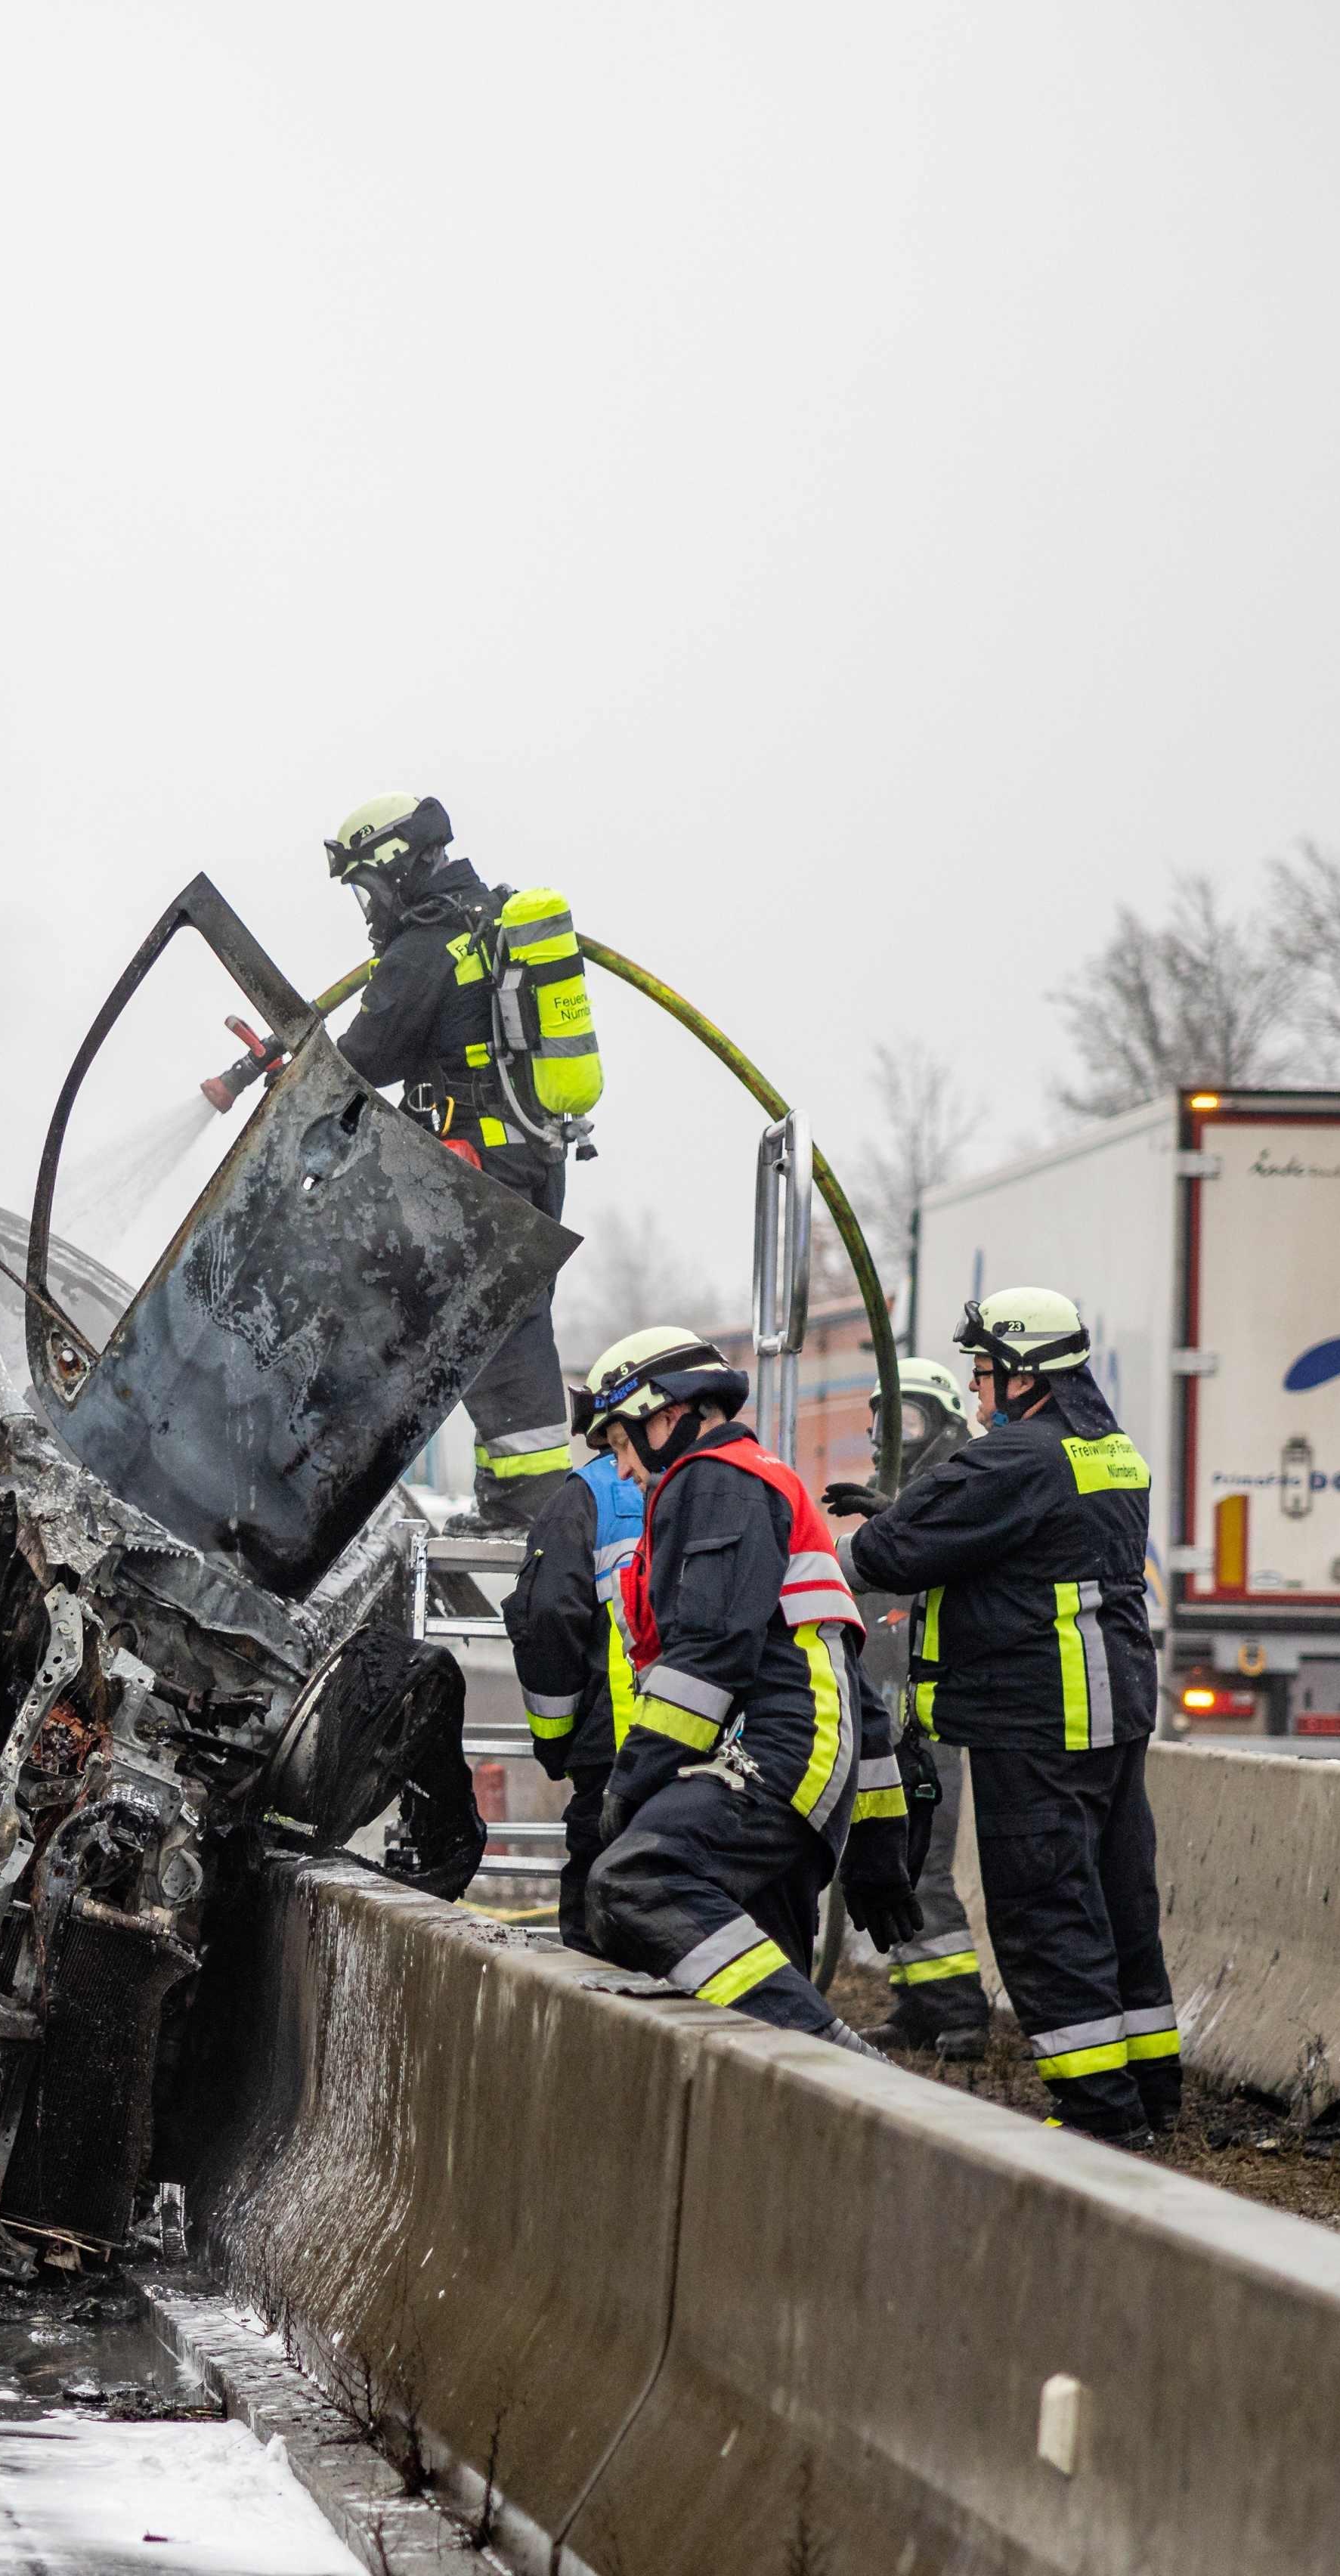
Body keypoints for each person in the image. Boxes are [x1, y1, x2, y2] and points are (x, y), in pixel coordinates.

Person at [834, 1289, 1174, 2146]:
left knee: (1046, 1911)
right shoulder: (1108, 1449)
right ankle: (1150, 2088)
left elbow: (891, 1556)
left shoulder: (1015, 1457)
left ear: (1024, 1373)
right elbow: (1019, 1540)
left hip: (1038, 1719)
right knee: (1117, 1902)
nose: (977, 1391)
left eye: (983, 1372)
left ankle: (1098, 2112)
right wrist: (905, 1510)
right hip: (1113, 1713)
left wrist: (853, 1539)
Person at [578, 1327, 874, 2041]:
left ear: (664, 1413)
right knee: (757, 1974)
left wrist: (633, 1782)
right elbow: (840, 1657)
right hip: (796, 1750)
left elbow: (709, 1652)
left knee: (636, 1880)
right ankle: (823, 2107)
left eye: (619, 1444)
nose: (622, 1471)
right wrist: (883, 1831)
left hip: (777, 1750)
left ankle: (843, 2065)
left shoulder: (713, 1478)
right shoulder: (750, 1478)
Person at [324, 793, 605, 1525]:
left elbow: (362, 1058)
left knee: (470, 1320)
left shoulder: (426, 948)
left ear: (393, 865)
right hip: (533, 1158)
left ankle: (525, 1505)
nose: (366, 906)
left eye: (365, 887)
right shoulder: (490, 921)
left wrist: (295, 1062)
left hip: (476, 1166)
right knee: (508, 1320)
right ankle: (513, 1498)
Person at [855, 1357, 992, 2054]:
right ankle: (917, 1999)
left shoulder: (954, 1490)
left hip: (935, 1710)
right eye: (881, 1421)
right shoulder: (906, 1497)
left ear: (940, 1422)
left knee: (925, 1854)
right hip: (891, 1706)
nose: (890, 1437)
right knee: (897, 1853)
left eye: (905, 1419)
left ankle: (959, 2008)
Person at [501, 1362, 655, 1949]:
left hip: (615, 1744)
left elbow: (546, 1617)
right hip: (713, 1754)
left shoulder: (584, 1496)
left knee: (599, 1915)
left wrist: (555, 1738)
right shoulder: (723, 1487)